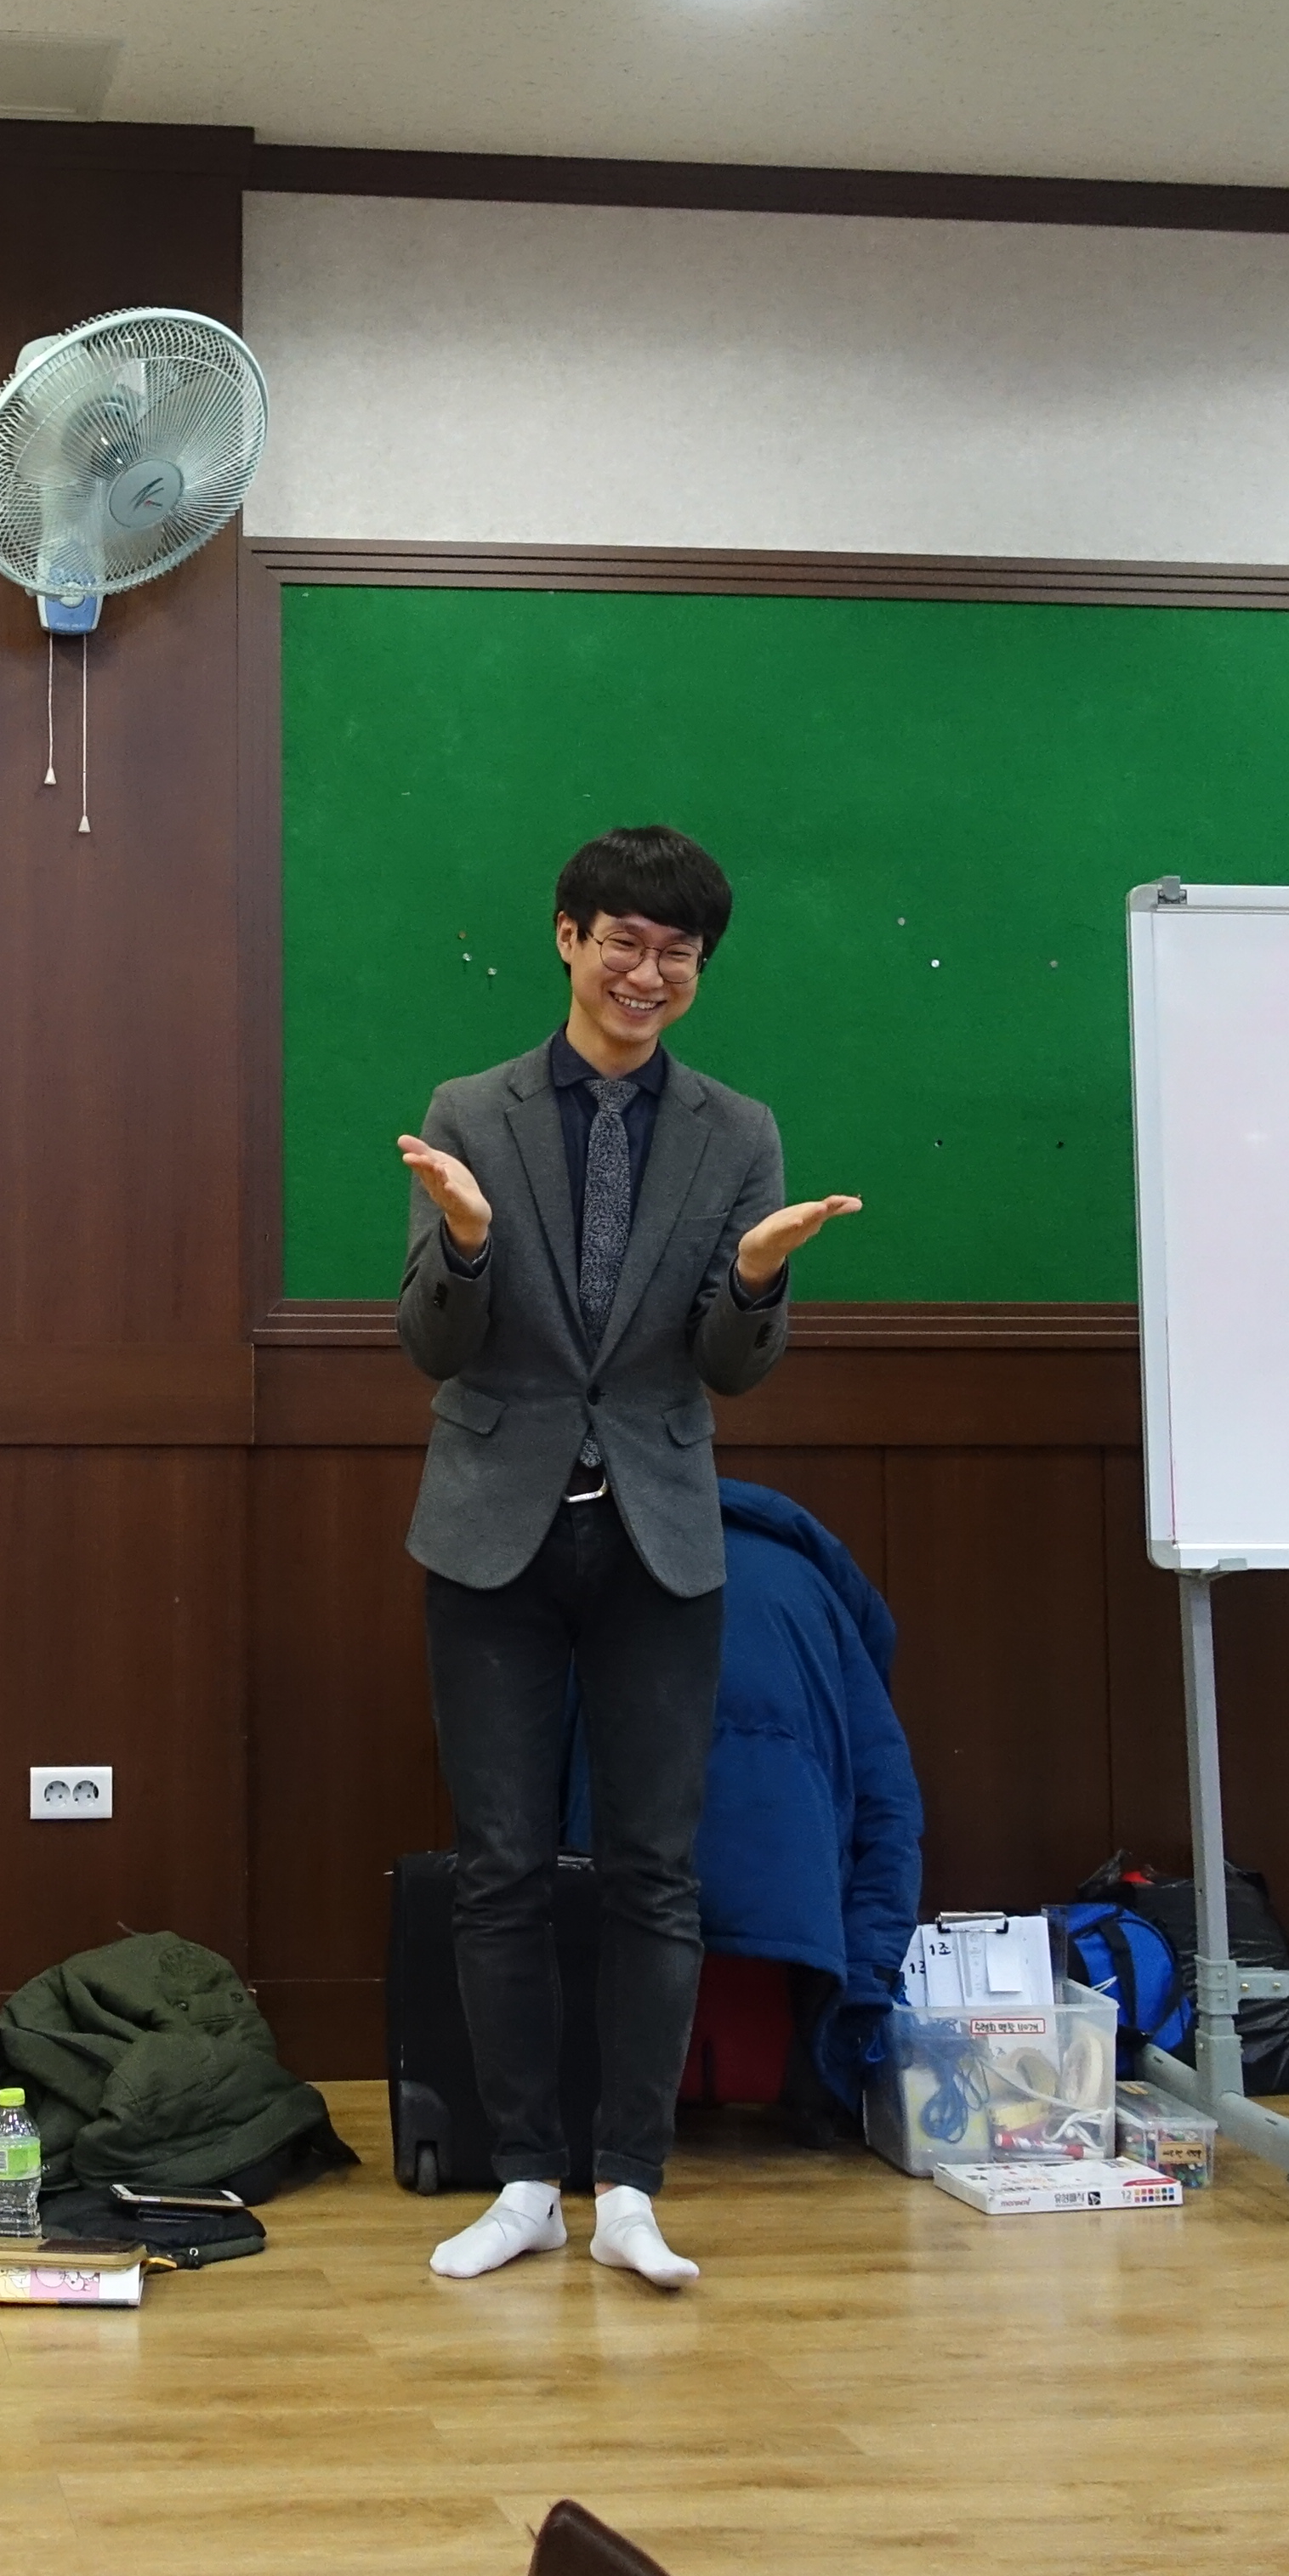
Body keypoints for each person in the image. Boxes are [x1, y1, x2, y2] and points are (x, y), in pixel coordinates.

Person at [390, 826, 855, 2292]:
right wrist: (466, 1244)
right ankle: (527, 2179)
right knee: (502, 1867)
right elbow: (430, 1343)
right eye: (624, 943)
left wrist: (758, 1279)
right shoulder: (469, 1110)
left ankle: (632, 2190)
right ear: (568, 938)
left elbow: (729, 1368)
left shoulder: (737, 1131)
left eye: (677, 954)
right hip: (492, 1528)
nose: (647, 974)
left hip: (658, 1528)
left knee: (658, 1866)